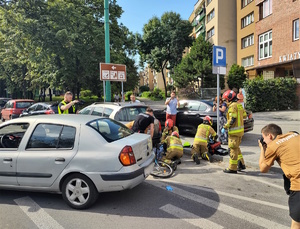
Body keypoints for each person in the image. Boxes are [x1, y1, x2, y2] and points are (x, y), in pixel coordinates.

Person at [258, 124, 300, 229]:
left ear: (270, 136)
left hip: (298, 184)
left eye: (264, 138)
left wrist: (262, 149)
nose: (264, 141)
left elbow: (263, 168)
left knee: (296, 223)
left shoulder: (273, 146)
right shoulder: (293, 134)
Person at [221, 90, 247, 173]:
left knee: (232, 149)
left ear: (229, 99)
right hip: (240, 131)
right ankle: (241, 164)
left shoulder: (232, 106)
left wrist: (225, 127)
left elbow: (232, 119)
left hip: (234, 132)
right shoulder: (239, 105)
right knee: (236, 148)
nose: (225, 102)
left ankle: (232, 168)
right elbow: (245, 115)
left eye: (225, 100)